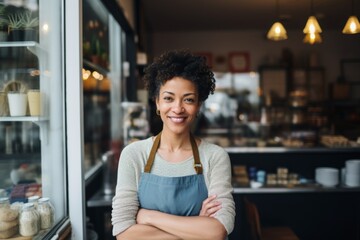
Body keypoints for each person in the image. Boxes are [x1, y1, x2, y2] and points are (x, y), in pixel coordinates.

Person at [111, 49, 235, 240]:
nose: (178, 108)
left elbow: (217, 231)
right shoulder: (134, 155)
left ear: (198, 106)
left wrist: (148, 216)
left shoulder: (215, 157)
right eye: (168, 98)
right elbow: (124, 233)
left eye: (188, 99)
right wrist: (196, 229)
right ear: (157, 102)